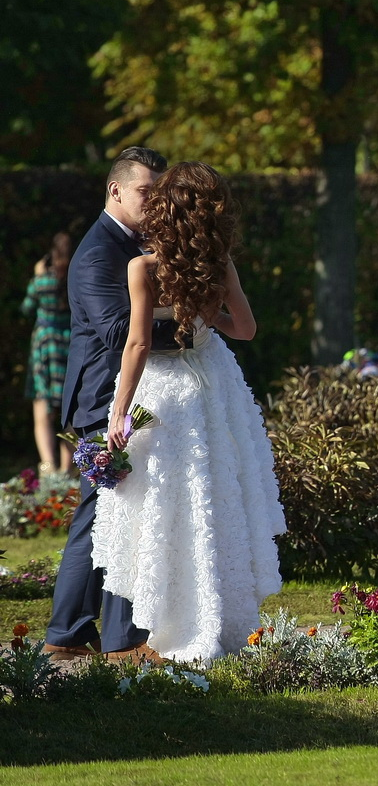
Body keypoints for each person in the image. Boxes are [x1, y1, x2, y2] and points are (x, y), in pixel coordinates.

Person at [95, 160, 286, 663]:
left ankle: (169, 621)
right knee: (215, 496)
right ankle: (222, 618)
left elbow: (136, 344)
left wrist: (119, 412)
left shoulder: (143, 268)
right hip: (210, 387)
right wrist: (207, 314)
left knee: (165, 503)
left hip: (162, 390)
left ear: (162, 210)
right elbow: (244, 329)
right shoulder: (219, 264)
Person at [45, 146, 175, 663]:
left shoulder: (134, 244)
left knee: (107, 516)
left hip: (122, 393)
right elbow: (122, 332)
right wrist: (190, 329)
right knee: (109, 516)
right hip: (105, 399)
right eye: (146, 193)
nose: (155, 203)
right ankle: (103, 638)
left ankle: (71, 632)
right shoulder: (100, 252)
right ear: (116, 191)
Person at [21, 231, 73, 474]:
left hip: (45, 345)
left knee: (42, 407)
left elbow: (26, 307)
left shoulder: (43, 280)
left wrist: (36, 275)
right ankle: (68, 469)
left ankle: (48, 467)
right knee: (67, 408)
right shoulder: (74, 279)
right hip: (69, 343)